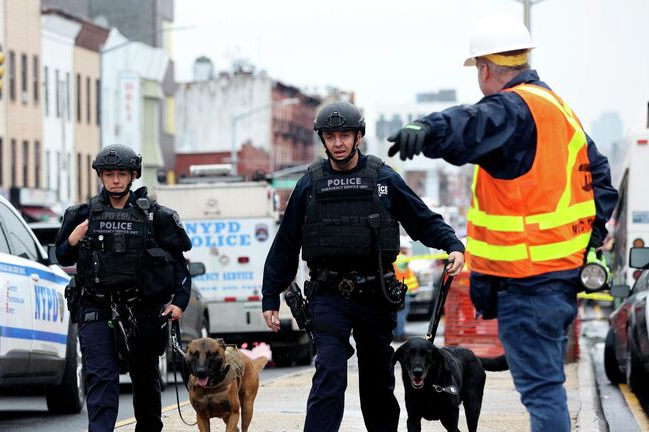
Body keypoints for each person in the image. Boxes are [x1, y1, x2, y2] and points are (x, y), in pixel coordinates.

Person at [387, 15, 618, 432]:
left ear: (485, 68)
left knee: (542, 392)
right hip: (556, 282)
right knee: (547, 388)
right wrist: (584, 246)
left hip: (526, 284)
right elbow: (602, 185)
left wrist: (428, 129)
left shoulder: (515, 107)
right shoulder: (560, 112)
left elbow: (474, 123)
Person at [262, 101, 465, 432]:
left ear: (359, 137)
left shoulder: (383, 178)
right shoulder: (310, 184)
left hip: (375, 294)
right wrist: (270, 295)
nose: (338, 142)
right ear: (323, 140)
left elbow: (420, 218)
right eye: (330, 136)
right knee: (329, 371)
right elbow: (286, 243)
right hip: (328, 295)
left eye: (345, 135)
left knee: (377, 380)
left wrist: (452, 244)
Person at [55, 144, 192, 432]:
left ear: (133, 176)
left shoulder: (157, 217)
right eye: (109, 174)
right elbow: (62, 256)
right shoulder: (81, 215)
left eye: (121, 173)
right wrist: (73, 239)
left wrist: (179, 301)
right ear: (100, 176)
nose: (115, 180)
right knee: (101, 378)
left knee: (145, 380)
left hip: (142, 309)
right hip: (96, 306)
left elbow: (179, 264)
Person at [393, 238, 419, 343]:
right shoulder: (402, 259)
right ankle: (399, 334)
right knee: (401, 314)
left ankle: (397, 334)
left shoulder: (395, 258)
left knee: (397, 314)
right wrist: (408, 253)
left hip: (397, 291)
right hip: (403, 292)